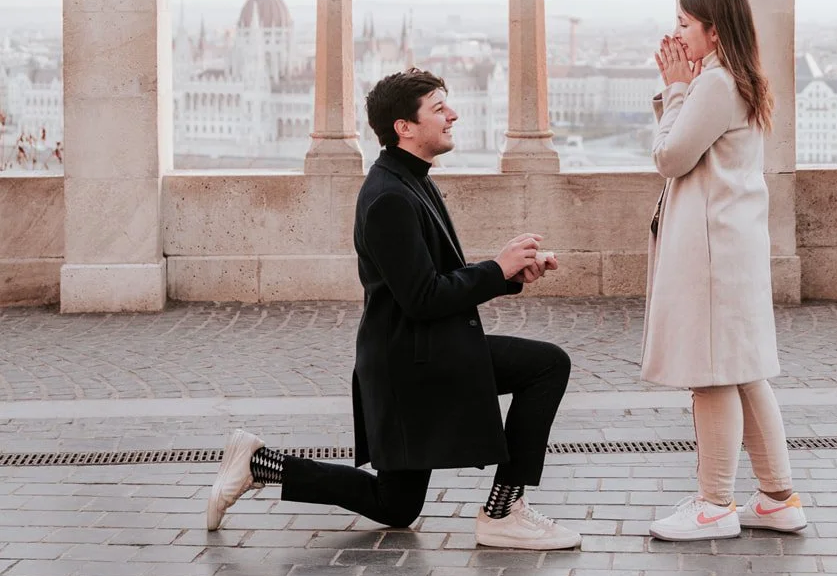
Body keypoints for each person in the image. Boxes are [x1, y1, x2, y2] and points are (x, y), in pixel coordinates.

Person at [207, 68, 581, 550]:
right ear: (405, 126)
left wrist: (508, 274)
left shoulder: (409, 180)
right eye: (439, 107)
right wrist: (495, 267)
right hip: (411, 362)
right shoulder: (389, 197)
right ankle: (503, 510)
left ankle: (260, 463)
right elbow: (423, 297)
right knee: (547, 365)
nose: (453, 114)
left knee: (395, 506)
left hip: (417, 353)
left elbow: (433, 278)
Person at [643, 0, 806, 541]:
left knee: (711, 373)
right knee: (743, 371)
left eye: (686, 23)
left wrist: (675, 90)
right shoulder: (744, 80)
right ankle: (776, 497)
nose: (676, 33)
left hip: (711, 248)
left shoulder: (713, 84)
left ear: (713, 29)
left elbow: (670, 157)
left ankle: (714, 503)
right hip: (733, 244)